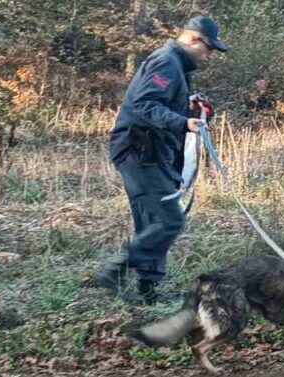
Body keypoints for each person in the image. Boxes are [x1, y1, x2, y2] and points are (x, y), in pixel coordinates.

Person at [94, 15, 228, 304]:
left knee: (154, 218)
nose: (210, 55)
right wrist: (182, 122)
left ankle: (148, 292)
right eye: (209, 48)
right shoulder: (167, 61)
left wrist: (190, 109)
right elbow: (144, 104)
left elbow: (160, 103)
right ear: (193, 39)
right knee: (169, 220)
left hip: (154, 151)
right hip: (139, 149)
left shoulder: (177, 65)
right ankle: (115, 269)